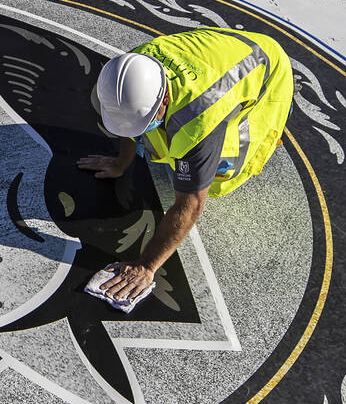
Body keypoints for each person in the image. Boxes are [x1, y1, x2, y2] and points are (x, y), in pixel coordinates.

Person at [77, 27, 294, 303]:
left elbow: (190, 205)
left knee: (219, 172)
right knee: (165, 144)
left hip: (267, 67)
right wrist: (122, 162)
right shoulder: (127, 74)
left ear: (165, 99)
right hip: (217, 53)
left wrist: (145, 267)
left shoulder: (200, 120)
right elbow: (130, 123)